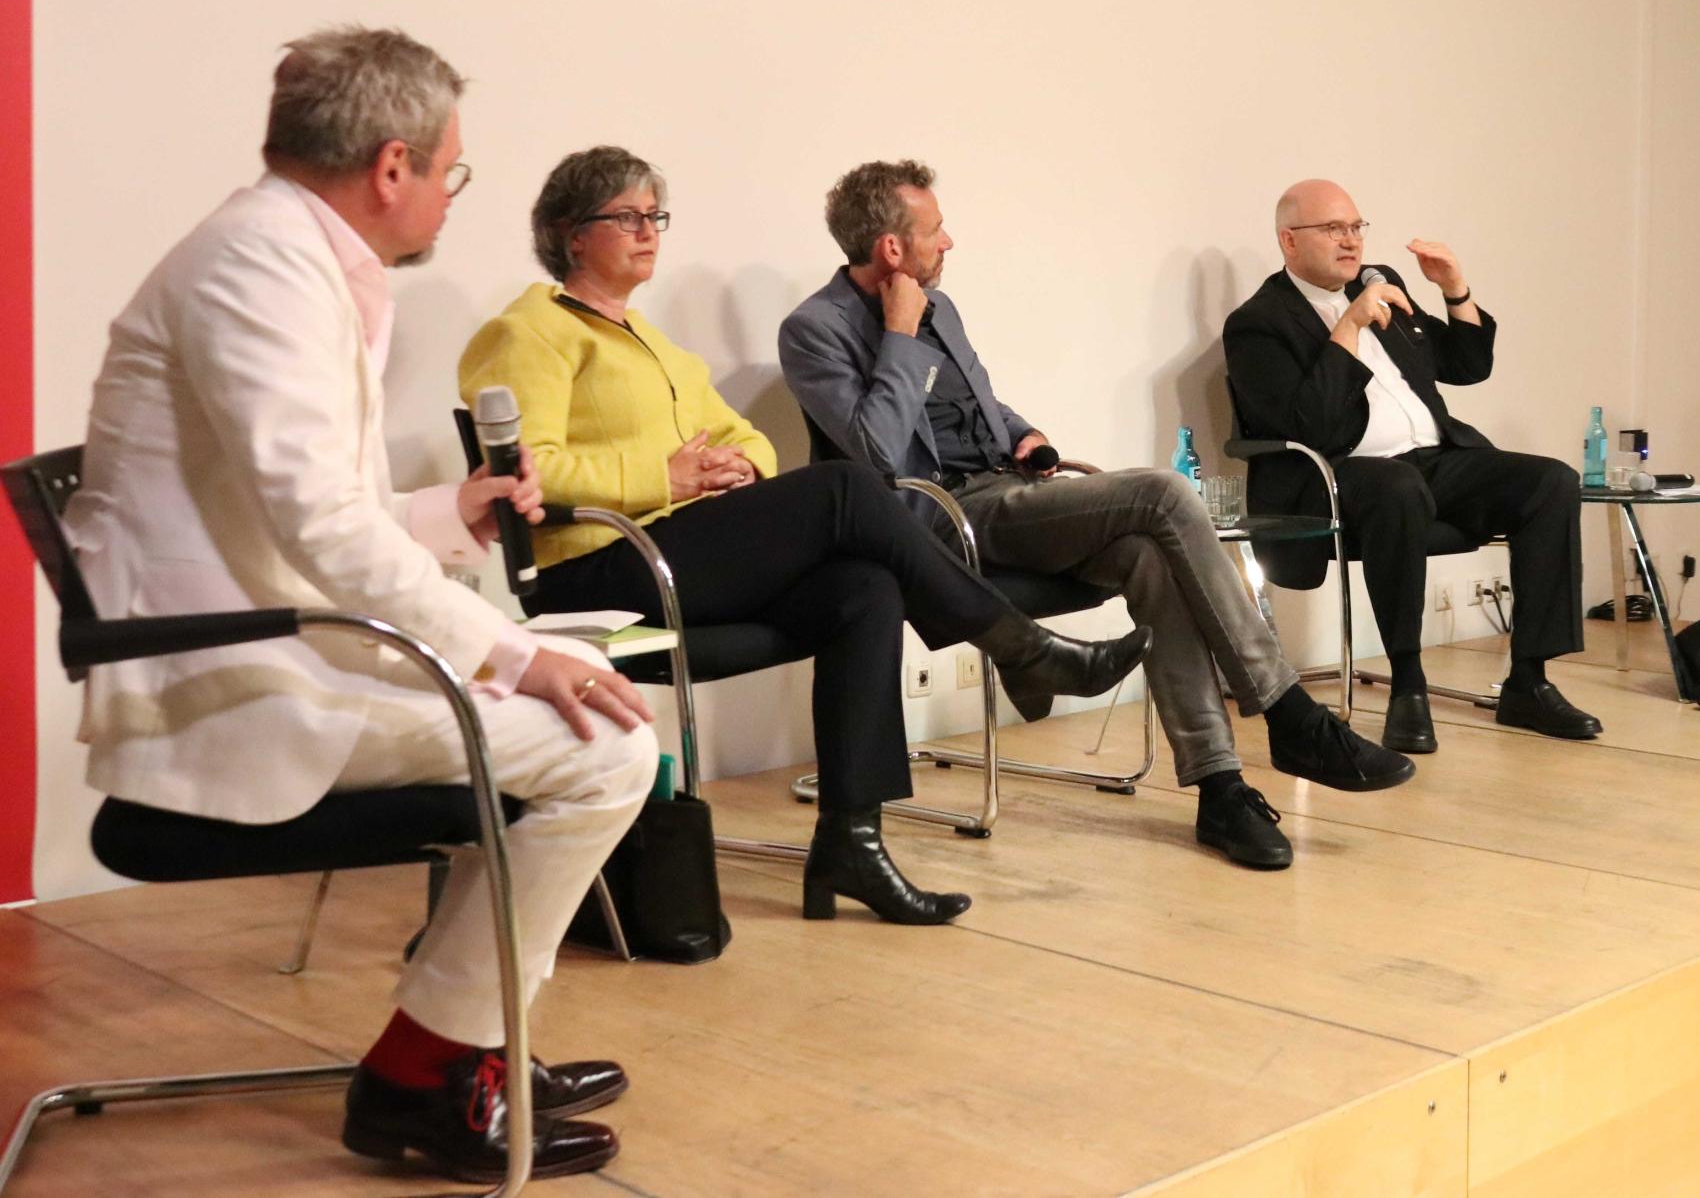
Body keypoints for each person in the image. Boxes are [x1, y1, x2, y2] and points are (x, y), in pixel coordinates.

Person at [69, 28, 655, 1183]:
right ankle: (425, 1068)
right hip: (231, 681)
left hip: (271, 640)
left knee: (594, 721)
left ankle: (474, 1036)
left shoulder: (282, 252)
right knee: (607, 747)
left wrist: (453, 514)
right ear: (392, 167)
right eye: (451, 171)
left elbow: (320, 505)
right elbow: (317, 524)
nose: (449, 197)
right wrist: (509, 655)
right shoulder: (259, 265)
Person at [458, 146, 1149, 923]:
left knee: (864, 587)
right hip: (599, 570)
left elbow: (746, 438)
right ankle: (1023, 647)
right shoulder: (529, 331)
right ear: (568, 234)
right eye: (625, 216)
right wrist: (668, 475)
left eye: (655, 215)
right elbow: (526, 474)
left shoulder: (659, 347)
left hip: (686, 553)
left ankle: (851, 842)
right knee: (850, 484)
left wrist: (738, 466)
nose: (648, 230)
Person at [778, 159, 1414, 876]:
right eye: (934, 230)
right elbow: (877, 453)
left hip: (1008, 489)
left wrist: (1024, 433)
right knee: (1165, 493)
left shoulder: (942, 309)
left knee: (1150, 551)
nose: (949, 241)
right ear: (891, 248)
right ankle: (1287, 711)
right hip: (938, 521)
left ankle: (1220, 788)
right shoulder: (814, 331)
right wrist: (898, 336)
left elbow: (980, 405)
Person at [1222, 178, 1597, 754]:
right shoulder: (1259, 323)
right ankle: (1408, 686)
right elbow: (1313, 428)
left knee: (1551, 481)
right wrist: (1348, 325)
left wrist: (1455, 291)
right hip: (1333, 477)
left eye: (1355, 227)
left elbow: (1467, 366)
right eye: (1332, 229)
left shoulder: (1383, 284)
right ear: (1289, 241)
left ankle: (1529, 680)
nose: (1350, 242)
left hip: (1433, 460)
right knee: (1394, 486)